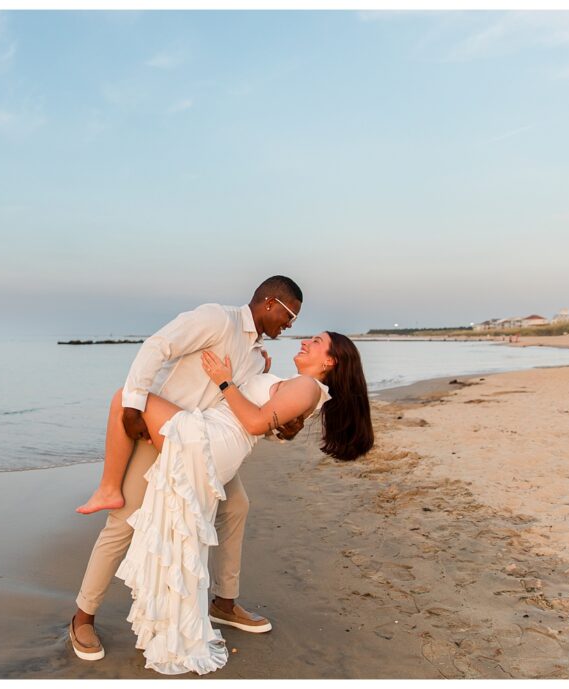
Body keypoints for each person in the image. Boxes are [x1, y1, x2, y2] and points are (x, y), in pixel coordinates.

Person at [69, 276, 304, 663]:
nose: (291, 324)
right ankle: (82, 616)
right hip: (160, 435)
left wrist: (283, 424)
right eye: (290, 314)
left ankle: (224, 603)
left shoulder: (259, 355)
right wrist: (132, 404)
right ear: (269, 302)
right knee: (124, 522)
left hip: (204, 447)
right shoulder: (218, 319)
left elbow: (244, 409)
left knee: (237, 505)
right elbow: (157, 346)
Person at [118, 332, 373, 674]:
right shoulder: (302, 386)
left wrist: (225, 381)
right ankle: (179, 624)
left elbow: (254, 422)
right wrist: (255, 375)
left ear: (330, 361)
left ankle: (108, 486)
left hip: (212, 442)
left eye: (316, 341)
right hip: (216, 445)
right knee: (184, 536)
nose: (306, 342)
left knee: (130, 396)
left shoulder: (308, 387)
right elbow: (268, 419)